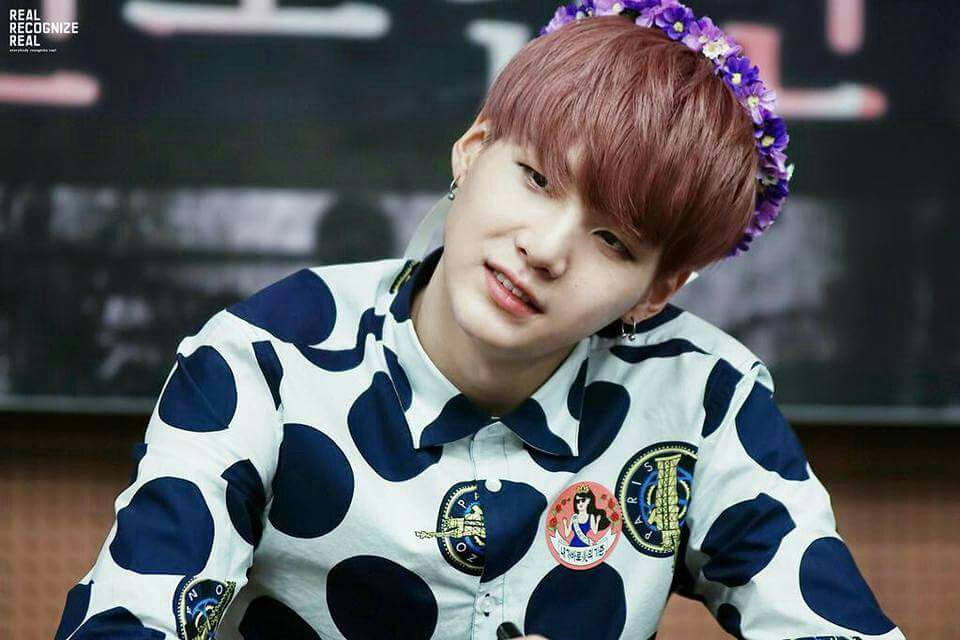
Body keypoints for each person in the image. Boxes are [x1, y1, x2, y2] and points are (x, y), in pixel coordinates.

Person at [55, 2, 905, 639]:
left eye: (613, 240)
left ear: (657, 290)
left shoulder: (702, 398)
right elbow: (130, 617)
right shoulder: (264, 361)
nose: (545, 248)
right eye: (537, 179)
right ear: (472, 150)